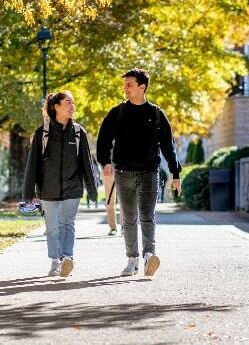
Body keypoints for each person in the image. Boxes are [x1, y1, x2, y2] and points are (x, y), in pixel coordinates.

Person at [97, 68, 181, 277]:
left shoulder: (156, 114)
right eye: (124, 85)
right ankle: (132, 259)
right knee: (130, 218)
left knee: (147, 216)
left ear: (142, 87)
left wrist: (175, 173)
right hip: (124, 173)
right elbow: (104, 137)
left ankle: (148, 256)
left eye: (129, 85)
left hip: (149, 173)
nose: (125, 88)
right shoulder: (118, 112)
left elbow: (168, 146)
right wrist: (105, 161)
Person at [23, 91, 98, 278]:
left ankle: (67, 258)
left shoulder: (79, 133)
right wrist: (28, 193)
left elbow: (86, 164)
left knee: (67, 224)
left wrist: (92, 189)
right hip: (48, 189)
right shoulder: (42, 133)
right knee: (52, 227)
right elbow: (32, 165)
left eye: (73, 103)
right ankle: (55, 261)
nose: (73, 107)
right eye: (68, 103)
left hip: (72, 188)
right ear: (56, 106)